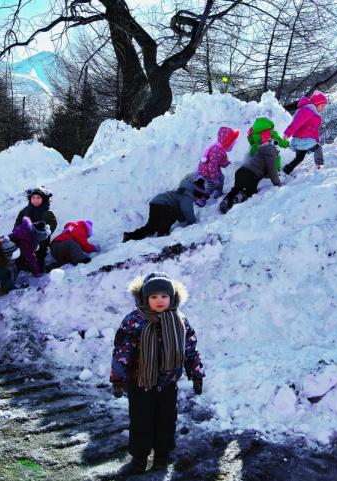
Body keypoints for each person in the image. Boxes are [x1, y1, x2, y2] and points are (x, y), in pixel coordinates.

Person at [111, 272, 205, 473]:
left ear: (172, 297)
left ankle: (162, 456)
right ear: (145, 299)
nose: (159, 301)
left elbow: (190, 349)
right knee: (140, 421)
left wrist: (196, 374)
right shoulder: (134, 321)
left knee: (166, 420)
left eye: (164, 296)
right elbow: (122, 351)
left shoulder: (180, 320)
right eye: (154, 297)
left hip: (169, 381)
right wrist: (118, 379)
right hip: (140, 381)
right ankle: (139, 458)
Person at [122, 176, 204, 242]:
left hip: (156, 203)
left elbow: (179, 208)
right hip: (163, 205)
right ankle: (163, 233)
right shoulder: (187, 195)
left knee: (151, 228)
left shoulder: (182, 191)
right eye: (198, 197)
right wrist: (191, 222)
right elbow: (187, 209)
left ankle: (130, 236)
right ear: (195, 193)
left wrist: (182, 220)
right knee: (171, 215)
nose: (197, 200)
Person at [219, 138, 281, 214]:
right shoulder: (271, 157)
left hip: (241, 171)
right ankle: (239, 197)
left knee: (236, 189)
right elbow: (273, 172)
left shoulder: (260, 152)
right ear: (276, 151)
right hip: (252, 174)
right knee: (251, 190)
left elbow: (260, 165)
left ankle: (226, 200)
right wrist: (277, 183)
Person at [282, 91, 328, 174]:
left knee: (299, 158)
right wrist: (287, 133)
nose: (323, 108)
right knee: (318, 148)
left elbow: (314, 130)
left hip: (303, 139)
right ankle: (320, 167)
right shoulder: (307, 111)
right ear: (316, 104)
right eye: (322, 106)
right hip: (303, 139)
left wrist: (316, 140)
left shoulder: (313, 113)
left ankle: (286, 170)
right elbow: (296, 123)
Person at [14, 187, 57, 272]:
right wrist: (16, 229)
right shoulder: (26, 210)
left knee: (39, 255)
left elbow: (53, 222)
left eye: (38, 198)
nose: (35, 200)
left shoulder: (48, 212)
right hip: (26, 238)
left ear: (44, 199)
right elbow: (19, 219)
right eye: (33, 198)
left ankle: (39, 268)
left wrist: (47, 230)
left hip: (41, 241)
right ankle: (26, 266)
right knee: (25, 252)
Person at [195, 126, 240, 206]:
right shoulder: (217, 151)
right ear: (226, 142)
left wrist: (225, 163)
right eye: (230, 142)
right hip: (207, 171)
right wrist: (214, 177)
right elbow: (212, 166)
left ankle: (218, 193)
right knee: (212, 184)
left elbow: (219, 162)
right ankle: (202, 200)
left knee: (221, 178)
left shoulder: (220, 149)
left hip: (210, 170)